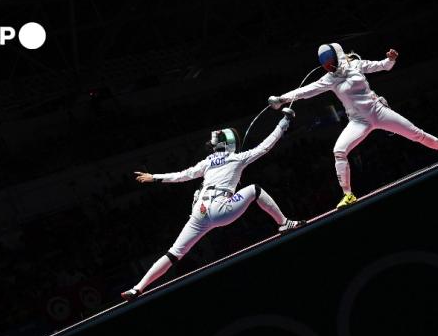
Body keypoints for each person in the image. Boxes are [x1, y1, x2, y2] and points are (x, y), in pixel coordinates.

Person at [121, 110, 304, 301]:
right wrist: (285, 121)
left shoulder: (207, 162)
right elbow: (266, 145)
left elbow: (182, 175)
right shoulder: (238, 158)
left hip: (198, 213)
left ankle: (137, 288)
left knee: (174, 253)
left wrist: (155, 177)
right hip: (221, 209)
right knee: (255, 190)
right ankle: (283, 223)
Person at [269, 43, 438, 208]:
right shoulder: (328, 79)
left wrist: (391, 58)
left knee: (416, 134)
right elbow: (305, 91)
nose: (328, 66)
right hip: (358, 122)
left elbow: (383, 66)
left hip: (379, 111)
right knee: (339, 151)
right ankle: (348, 194)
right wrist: (281, 99)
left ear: (337, 57)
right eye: (325, 64)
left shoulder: (356, 65)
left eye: (330, 62)